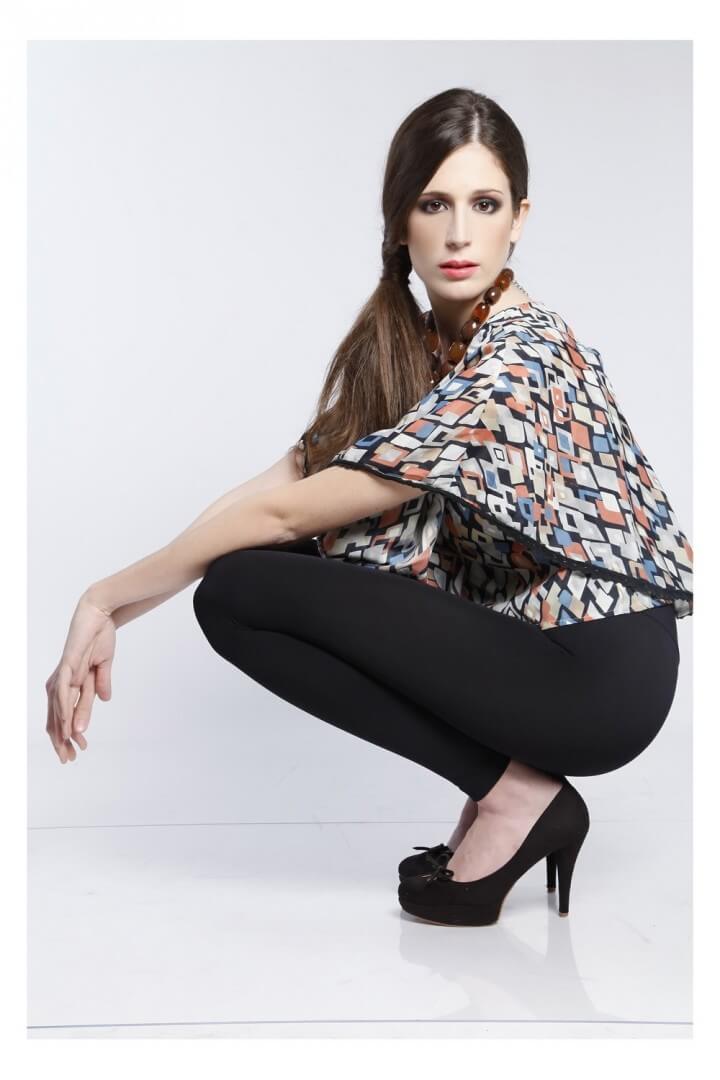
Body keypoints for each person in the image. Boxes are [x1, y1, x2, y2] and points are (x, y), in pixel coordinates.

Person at [47, 88, 693, 928]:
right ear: (399, 222)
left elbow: (287, 517)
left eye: (484, 204)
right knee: (246, 578)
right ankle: (511, 792)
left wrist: (102, 597)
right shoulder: (426, 343)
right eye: (433, 204)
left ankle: (513, 797)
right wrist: (123, 607)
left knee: (242, 587)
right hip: (544, 650)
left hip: (594, 677)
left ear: (519, 220)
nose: (458, 234)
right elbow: (284, 481)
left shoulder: (514, 360)